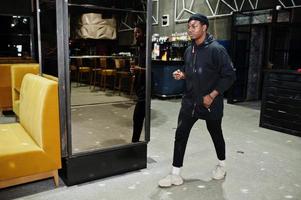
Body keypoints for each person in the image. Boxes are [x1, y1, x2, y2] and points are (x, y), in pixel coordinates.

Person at [158, 13, 236, 187]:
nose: (190, 30)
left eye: (194, 26)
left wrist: (212, 95)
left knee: (215, 133)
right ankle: (175, 174)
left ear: (204, 27)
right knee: (180, 134)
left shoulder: (217, 50)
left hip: (210, 103)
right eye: (189, 27)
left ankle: (222, 165)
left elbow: (229, 76)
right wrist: (183, 74)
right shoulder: (189, 50)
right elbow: (192, 72)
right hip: (190, 101)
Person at [130, 22, 146, 143]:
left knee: (137, 117)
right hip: (140, 86)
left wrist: (140, 69)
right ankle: (135, 142)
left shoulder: (148, 48)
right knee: (139, 118)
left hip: (146, 87)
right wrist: (134, 71)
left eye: (138, 32)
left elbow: (152, 69)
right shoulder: (138, 48)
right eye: (134, 32)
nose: (136, 35)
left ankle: (134, 142)